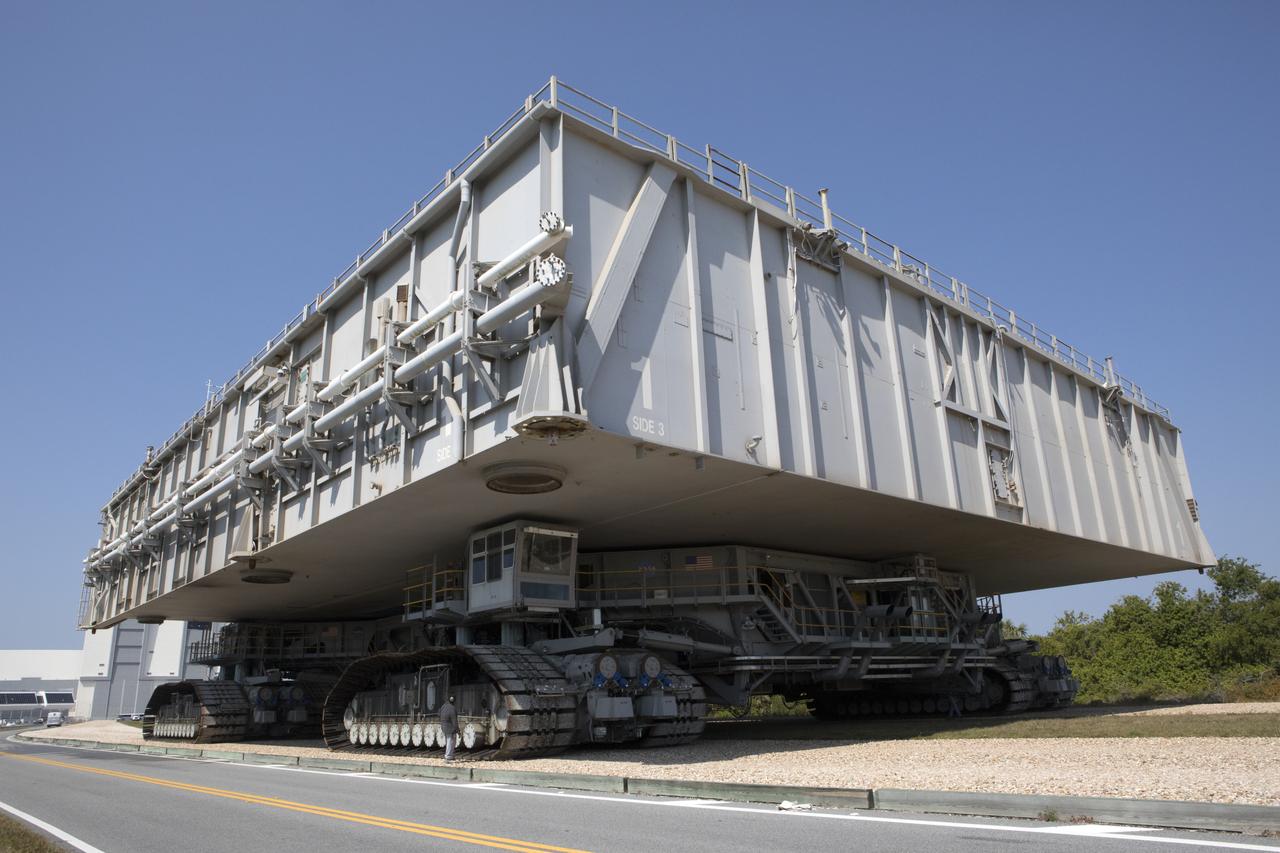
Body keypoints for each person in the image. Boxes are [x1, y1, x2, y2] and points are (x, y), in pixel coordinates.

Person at [439, 695, 458, 761]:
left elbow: (439, 714)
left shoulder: (443, 706)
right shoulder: (452, 708)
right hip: (450, 728)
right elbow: (454, 721)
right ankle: (448, 756)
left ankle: (449, 755)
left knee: (448, 741)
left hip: (443, 726)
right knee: (451, 741)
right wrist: (458, 730)